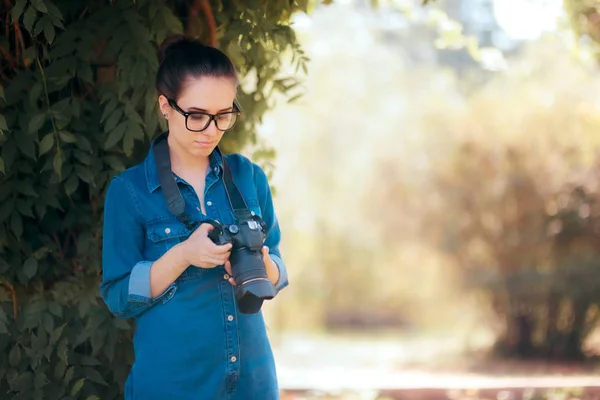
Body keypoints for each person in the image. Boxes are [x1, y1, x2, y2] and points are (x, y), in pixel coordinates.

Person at [100, 34, 289, 400]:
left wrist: (265, 267)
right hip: (172, 385)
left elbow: (278, 265)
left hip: (253, 382)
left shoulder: (249, 176)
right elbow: (118, 297)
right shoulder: (129, 191)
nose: (211, 131)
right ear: (165, 106)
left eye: (223, 116)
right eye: (197, 116)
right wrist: (182, 255)